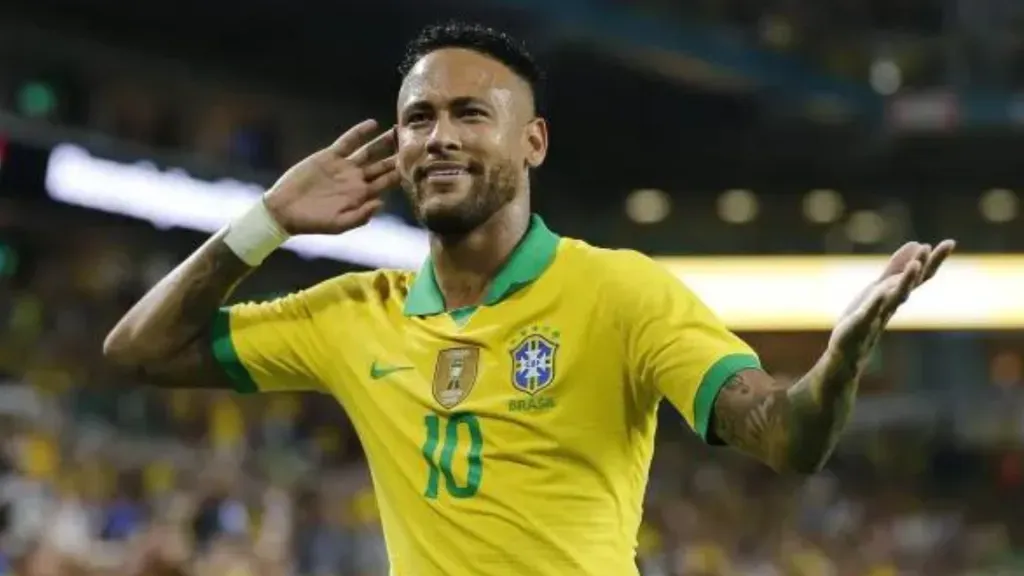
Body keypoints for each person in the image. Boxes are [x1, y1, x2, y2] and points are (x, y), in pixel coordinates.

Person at [102, 21, 956, 576]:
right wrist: (266, 222)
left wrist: (836, 365)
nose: (439, 136)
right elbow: (137, 352)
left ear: (533, 141)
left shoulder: (621, 292)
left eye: (472, 113)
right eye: (419, 117)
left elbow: (786, 436)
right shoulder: (352, 312)